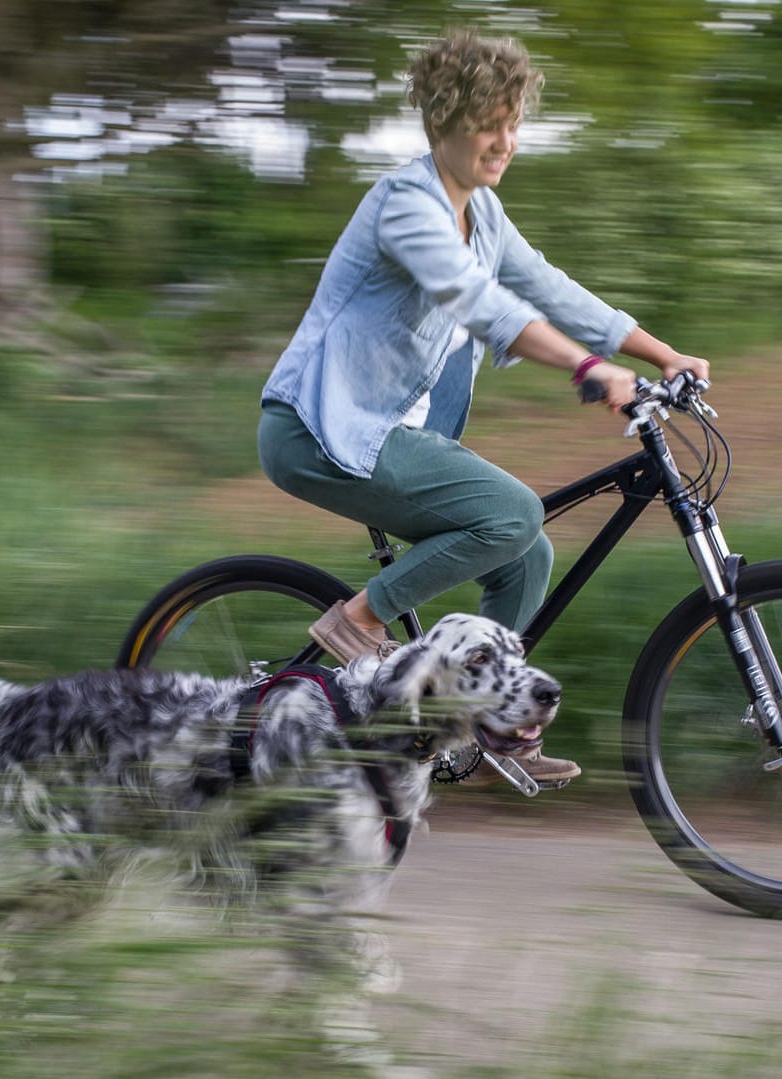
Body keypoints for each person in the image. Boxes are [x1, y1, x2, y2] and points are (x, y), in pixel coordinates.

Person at [257, 28, 709, 785]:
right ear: (445, 122)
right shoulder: (406, 205)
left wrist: (659, 353)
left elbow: (549, 288)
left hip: (388, 434)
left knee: (525, 552)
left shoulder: (485, 214)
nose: (505, 141)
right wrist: (589, 368)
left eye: (514, 124)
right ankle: (360, 620)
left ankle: (474, 719)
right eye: (489, 125)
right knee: (511, 513)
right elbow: (480, 303)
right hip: (320, 430)